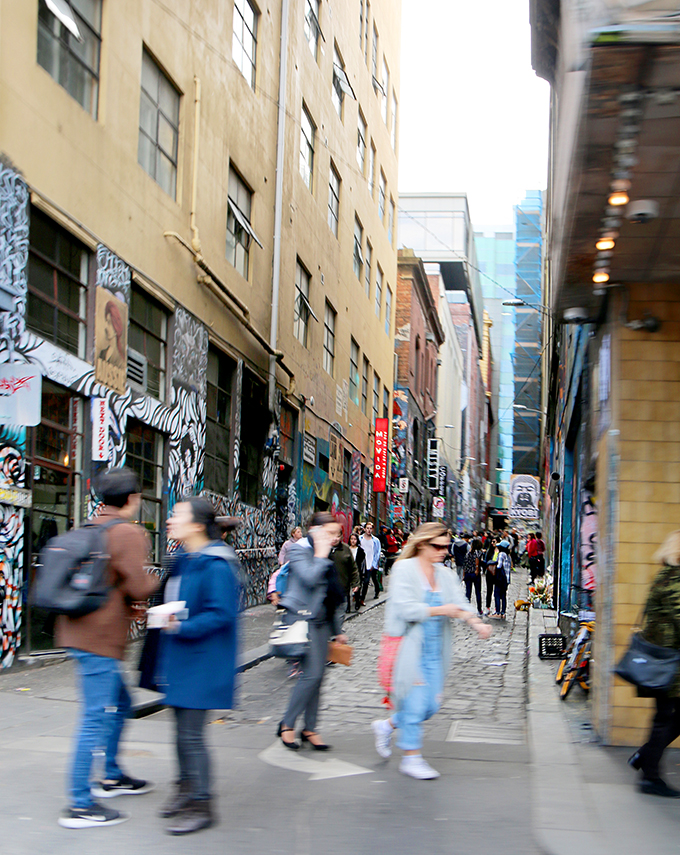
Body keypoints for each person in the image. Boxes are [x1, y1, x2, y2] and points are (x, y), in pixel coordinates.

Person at [57, 468, 158, 829]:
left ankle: (112, 774)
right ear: (132, 499)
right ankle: (80, 804)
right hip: (98, 640)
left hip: (78, 632)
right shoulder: (127, 532)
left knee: (122, 703)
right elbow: (139, 584)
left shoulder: (90, 526)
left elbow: (109, 580)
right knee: (94, 716)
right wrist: (165, 576)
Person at [371, 523, 491, 779]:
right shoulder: (403, 569)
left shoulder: (445, 574)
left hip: (437, 650)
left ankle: (386, 725)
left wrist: (476, 622)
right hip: (410, 648)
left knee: (429, 707)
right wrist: (441, 609)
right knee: (415, 704)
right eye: (437, 546)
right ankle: (411, 758)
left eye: (446, 547)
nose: (443, 552)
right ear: (422, 544)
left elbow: (460, 603)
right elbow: (406, 609)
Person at [158, 497, 241, 834]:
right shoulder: (188, 558)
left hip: (203, 663)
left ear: (195, 525)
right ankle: (186, 789)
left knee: (191, 737)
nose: (170, 520)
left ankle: (202, 803)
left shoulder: (216, 564)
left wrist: (181, 626)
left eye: (177, 515)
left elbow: (221, 614)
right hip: (182, 658)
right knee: (181, 734)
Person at [278, 512, 349, 750]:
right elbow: (308, 578)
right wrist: (320, 554)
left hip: (321, 622)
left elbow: (331, 595)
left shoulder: (329, 553)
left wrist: (337, 630)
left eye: (336, 533)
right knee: (311, 675)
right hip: (301, 620)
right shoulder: (299, 550)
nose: (334, 538)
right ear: (315, 531)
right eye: (329, 533)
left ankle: (309, 728)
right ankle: (287, 724)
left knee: (318, 677)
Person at [628, 531, 680, 798]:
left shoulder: (665, 576)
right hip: (668, 664)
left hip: (666, 662)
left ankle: (645, 759)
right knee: (664, 719)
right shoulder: (675, 580)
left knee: (665, 718)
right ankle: (650, 775)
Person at [329, 522, 361, 614]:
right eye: (333, 536)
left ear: (341, 537)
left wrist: (355, 583)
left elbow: (353, 568)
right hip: (327, 591)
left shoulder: (346, 549)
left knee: (339, 615)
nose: (335, 539)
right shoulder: (324, 549)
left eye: (338, 536)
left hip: (342, 589)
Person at [360, 521, 382, 602]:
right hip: (363, 563)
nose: (369, 530)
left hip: (372, 563)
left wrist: (374, 563)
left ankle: (377, 591)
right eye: (367, 528)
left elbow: (377, 553)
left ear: (372, 530)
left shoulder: (375, 540)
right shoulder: (360, 538)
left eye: (370, 528)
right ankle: (361, 597)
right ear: (364, 529)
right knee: (364, 581)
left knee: (373, 579)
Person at [463, 537, 483, 617]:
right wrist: (477, 569)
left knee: (468, 592)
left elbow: (465, 564)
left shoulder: (468, 553)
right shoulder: (478, 552)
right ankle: (479, 609)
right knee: (478, 592)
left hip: (468, 573)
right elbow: (477, 560)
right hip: (474, 573)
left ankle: (467, 609)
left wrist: (464, 575)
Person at [348, 531, 366, 610]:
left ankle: (357, 603)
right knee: (347, 589)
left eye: (354, 539)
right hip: (347, 571)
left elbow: (362, 562)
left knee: (357, 588)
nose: (353, 541)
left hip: (357, 571)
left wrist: (362, 572)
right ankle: (348, 606)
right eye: (351, 539)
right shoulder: (347, 549)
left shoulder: (360, 551)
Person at [494, 541, 512, 619]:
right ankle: (503, 612)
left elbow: (499, 566)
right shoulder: (508, 556)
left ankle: (498, 611)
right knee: (503, 595)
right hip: (506, 579)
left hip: (500, 578)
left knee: (497, 594)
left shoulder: (501, 554)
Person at [483, 537, 498, 615]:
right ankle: (488, 607)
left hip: (497, 573)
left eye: (494, 542)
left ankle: (496, 608)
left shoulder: (499, 552)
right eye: (492, 542)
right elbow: (486, 561)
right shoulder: (489, 551)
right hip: (489, 573)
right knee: (489, 590)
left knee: (496, 592)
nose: (493, 543)